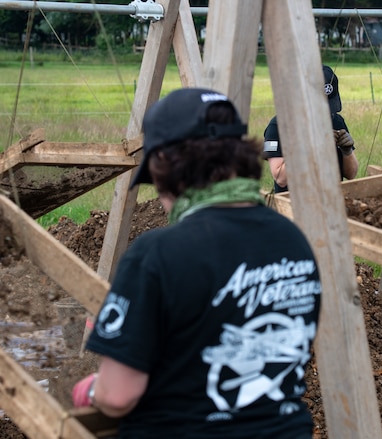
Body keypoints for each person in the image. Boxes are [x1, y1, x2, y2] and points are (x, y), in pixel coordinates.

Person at [72, 88, 322, 438]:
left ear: (166, 167)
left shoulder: (157, 253)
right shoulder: (293, 240)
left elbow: (118, 397)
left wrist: (93, 390)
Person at [263, 64, 359, 193]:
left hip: (333, 199)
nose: (325, 116)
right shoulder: (277, 127)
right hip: (296, 204)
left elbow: (351, 174)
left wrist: (347, 152)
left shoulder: (336, 121)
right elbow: (281, 178)